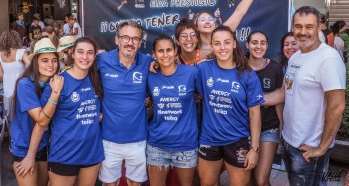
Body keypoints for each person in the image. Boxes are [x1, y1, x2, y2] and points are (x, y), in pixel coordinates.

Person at [264, 6, 346, 185]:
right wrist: (253, 100)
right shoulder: (296, 57)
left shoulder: (328, 58)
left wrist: (322, 147)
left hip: (310, 147)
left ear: (319, 28)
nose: (302, 32)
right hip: (289, 140)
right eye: (298, 26)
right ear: (292, 28)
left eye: (309, 27)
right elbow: (285, 92)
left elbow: (337, 106)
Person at [196, 25, 264, 186]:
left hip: (237, 140)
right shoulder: (203, 69)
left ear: (234, 43)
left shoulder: (247, 75)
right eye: (217, 43)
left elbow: (255, 115)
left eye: (227, 42)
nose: (222, 48)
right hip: (209, 138)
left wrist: (254, 149)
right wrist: (155, 65)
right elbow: (178, 75)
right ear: (212, 46)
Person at [38, 37, 104, 186]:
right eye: (80, 52)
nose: (85, 57)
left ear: (95, 56)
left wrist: (98, 116)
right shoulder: (58, 82)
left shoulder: (97, 79)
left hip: (91, 153)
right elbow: (41, 120)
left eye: (90, 53)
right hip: (64, 154)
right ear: (72, 53)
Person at [97, 20, 152, 186]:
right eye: (126, 37)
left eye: (135, 39)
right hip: (108, 138)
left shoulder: (148, 62)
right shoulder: (101, 61)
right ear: (117, 40)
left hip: (138, 139)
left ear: (140, 42)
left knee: (135, 183)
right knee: (110, 183)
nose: (130, 42)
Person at [10, 38, 63, 186]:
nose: (50, 65)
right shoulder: (25, 84)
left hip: (45, 146)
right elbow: (41, 119)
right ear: (36, 62)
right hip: (24, 149)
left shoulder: (53, 82)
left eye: (54, 60)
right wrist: (56, 93)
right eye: (45, 60)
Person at [147, 34, 198, 186]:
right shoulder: (149, 75)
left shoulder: (191, 73)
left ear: (176, 50)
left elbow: (205, 96)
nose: (165, 54)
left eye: (169, 50)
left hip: (185, 144)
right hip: (157, 144)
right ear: (154, 54)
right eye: (160, 51)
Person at [195, 0, 268, 60]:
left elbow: (239, 12)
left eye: (210, 19)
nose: (207, 21)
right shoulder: (192, 46)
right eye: (202, 20)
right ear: (196, 25)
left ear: (215, 23)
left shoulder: (224, 32)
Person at [246, 31, 284, 186]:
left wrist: (282, 125)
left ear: (267, 46)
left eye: (262, 43)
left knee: (261, 180)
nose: (258, 46)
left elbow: (280, 98)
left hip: (269, 128)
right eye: (254, 42)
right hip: (243, 130)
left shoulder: (275, 68)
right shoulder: (240, 67)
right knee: (246, 179)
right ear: (247, 45)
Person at [0, 30, 29, 119]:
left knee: (11, 116)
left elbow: (0, 75)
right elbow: (30, 66)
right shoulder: (21, 52)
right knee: (23, 115)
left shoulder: (0, 54)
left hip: (8, 89)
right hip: (21, 88)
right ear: (17, 39)